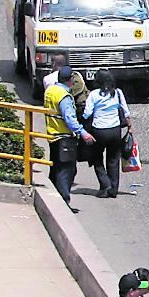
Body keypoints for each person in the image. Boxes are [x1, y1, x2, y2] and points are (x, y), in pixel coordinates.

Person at [41, 58, 87, 205]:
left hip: (52, 134)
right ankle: (63, 201)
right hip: (64, 136)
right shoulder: (64, 96)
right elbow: (70, 119)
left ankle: (53, 197)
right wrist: (83, 133)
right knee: (67, 170)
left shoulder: (50, 90)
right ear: (70, 80)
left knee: (55, 168)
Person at [81, 71, 132, 198]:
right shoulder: (118, 93)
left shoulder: (94, 95)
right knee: (113, 159)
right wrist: (130, 127)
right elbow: (126, 112)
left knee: (97, 158)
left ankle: (105, 184)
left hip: (99, 131)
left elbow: (87, 113)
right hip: (115, 131)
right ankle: (113, 189)